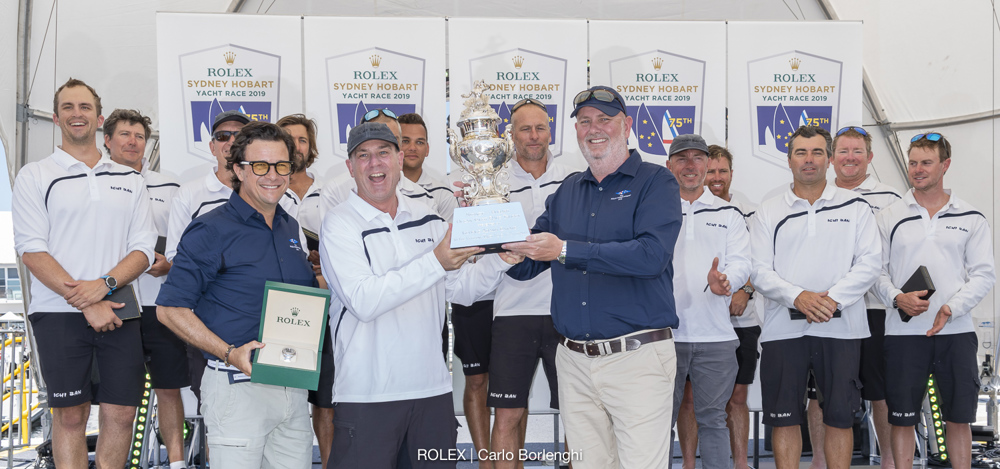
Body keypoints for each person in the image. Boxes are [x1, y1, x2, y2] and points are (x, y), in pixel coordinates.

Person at [319, 123, 519, 468]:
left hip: (432, 394)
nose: (374, 163)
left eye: (383, 153)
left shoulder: (429, 219)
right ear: (350, 168)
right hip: (367, 395)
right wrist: (435, 262)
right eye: (363, 156)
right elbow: (364, 301)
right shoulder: (339, 223)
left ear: (399, 160)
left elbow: (463, 290)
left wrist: (500, 261)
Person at [503, 86, 682, 468]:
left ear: (627, 125)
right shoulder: (567, 190)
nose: (593, 128)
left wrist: (565, 250)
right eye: (584, 121)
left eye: (604, 119)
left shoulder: (657, 181)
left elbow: (651, 256)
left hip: (637, 359)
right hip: (574, 361)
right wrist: (496, 245)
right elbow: (527, 264)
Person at [13, 78, 156, 469]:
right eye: (68, 107)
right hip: (58, 313)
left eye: (85, 107)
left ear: (99, 117)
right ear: (57, 116)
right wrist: (86, 301)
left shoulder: (130, 179)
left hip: (120, 308)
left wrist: (104, 287)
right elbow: (32, 250)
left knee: (122, 414)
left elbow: (143, 249)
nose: (77, 114)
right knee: (71, 415)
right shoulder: (35, 175)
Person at [157, 121, 316, 469]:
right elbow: (169, 308)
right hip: (237, 386)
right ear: (239, 169)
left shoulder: (289, 226)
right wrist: (229, 353)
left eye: (282, 166)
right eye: (260, 166)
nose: (272, 175)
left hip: (292, 386)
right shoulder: (211, 228)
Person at [750, 125, 881, 469]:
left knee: (839, 417)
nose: (809, 160)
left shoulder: (856, 206)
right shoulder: (767, 210)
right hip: (782, 330)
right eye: (801, 153)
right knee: (783, 418)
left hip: (843, 329)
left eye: (817, 152)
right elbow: (759, 270)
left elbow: (869, 264)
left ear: (829, 159)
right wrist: (798, 298)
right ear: (789, 159)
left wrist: (831, 300)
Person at [874, 132, 995, 469]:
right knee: (902, 419)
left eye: (926, 162)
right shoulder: (889, 216)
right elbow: (874, 272)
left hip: (955, 333)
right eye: (913, 163)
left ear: (946, 165)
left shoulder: (971, 217)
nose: (917, 169)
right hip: (902, 336)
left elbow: (985, 274)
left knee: (958, 418)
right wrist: (898, 298)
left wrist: (949, 308)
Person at [473, 98, 577, 468]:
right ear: (509, 134)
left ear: (550, 131)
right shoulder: (492, 182)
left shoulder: (574, 177)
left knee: (577, 416)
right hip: (512, 312)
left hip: (567, 312)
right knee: (508, 416)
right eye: (524, 129)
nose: (534, 136)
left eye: (540, 128)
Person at [803, 126, 902, 469]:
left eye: (857, 151)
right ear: (831, 159)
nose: (849, 158)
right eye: (842, 151)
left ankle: (888, 459)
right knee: (820, 392)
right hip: (826, 309)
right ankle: (818, 459)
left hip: (874, 308)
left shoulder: (891, 198)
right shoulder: (816, 195)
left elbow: (894, 257)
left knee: (879, 390)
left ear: (870, 158)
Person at [103, 109, 188, 469]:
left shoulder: (170, 185)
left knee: (168, 388)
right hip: (116, 304)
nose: (132, 142)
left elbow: (188, 242)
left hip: (160, 304)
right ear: (107, 140)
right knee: (118, 398)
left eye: (139, 136)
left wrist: (171, 264)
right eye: (124, 134)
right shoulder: (96, 184)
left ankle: (177, 462)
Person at [665, 135, 751, 469]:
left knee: (714, 421)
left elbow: (742, 262)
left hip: (715, 337)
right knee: (657, 424)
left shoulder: (729, 213)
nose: (690, 166)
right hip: (661, 337)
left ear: (706, 163)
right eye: (682, 159)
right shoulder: (652, 210)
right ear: (669, 165)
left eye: (697, 159)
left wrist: (726, 280)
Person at [164, 109, 250, 404]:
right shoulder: (189, 194)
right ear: (212, 146)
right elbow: (175, 257)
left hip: (259, 320)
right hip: (207, 323)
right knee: (216, 415)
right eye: (222, 136)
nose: (230, 141)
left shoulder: (274, 192)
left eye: (239, 135)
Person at [275, 113, 334, 468]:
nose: (296, 145)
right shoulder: (263, 188)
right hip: (283, 308)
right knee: (288, 399)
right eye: (288, 138)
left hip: (328, 305)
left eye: (302, 139)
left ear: (310, 147)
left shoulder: (333, 189)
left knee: (325, 402)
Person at [397, 112, 459, 218]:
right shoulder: (380, 189)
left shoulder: (443, 195)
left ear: (427, 149)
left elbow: (449, 234)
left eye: (419, 142)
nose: (413, 147)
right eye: (405, 141)